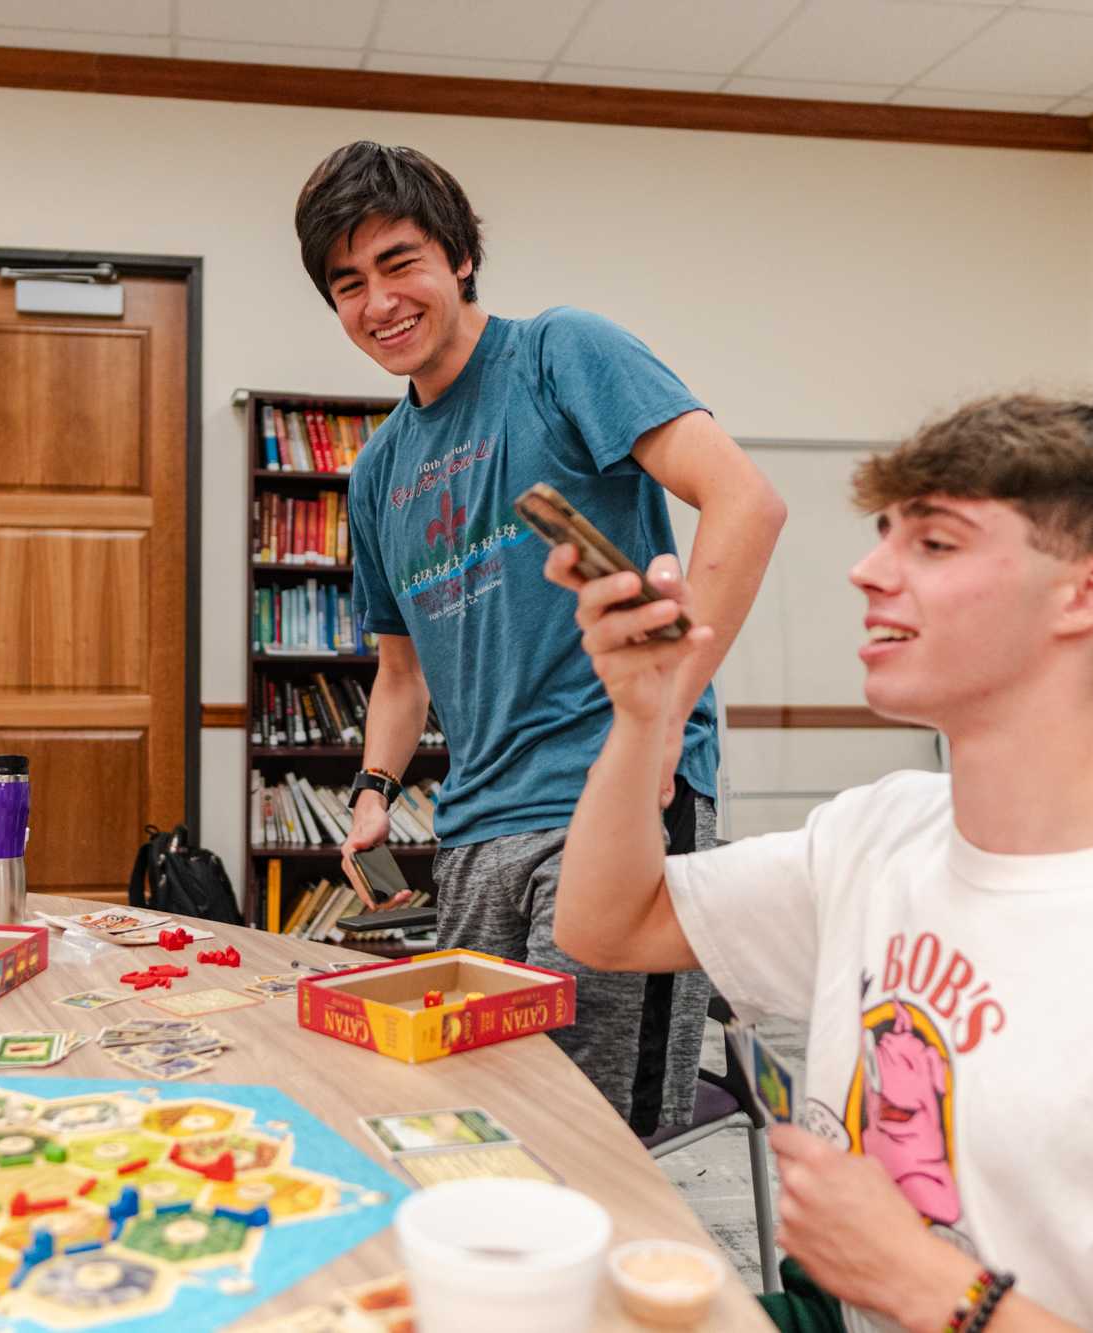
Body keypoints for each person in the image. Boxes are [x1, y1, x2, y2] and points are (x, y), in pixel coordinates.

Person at [550, 394, 1093, 1330]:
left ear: (1089, 594)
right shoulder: (876, 835)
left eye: (934, 544)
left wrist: (931, 1283)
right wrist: (642, 713)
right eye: (883, 535)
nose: (867, 572)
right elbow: (606, 923)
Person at [293, 141, 786, 1133]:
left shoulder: (561, 351)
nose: (378, 302)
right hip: (474, 829)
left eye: (399, 263)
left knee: (596, 1132)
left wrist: (664, 713)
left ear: (459, 257)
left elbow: (746, 500)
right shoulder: (377, 470)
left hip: (606, 802)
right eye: (348, 284)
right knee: (494, 1115)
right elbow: (399, 672)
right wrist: (371, 795)